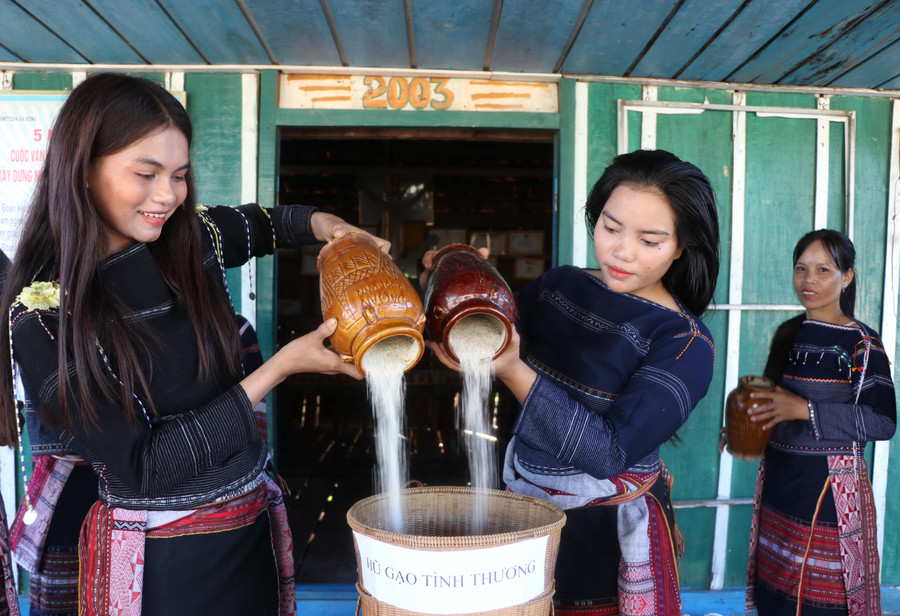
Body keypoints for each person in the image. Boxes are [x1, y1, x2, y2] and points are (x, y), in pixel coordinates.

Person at [0, 72, 378, 615]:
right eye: (145, 174)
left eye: (179, 176)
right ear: (82, 170)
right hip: (164, 563)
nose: (167, 196)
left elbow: (262, 225)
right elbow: (144, 468)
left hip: (248, 531)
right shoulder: (45, 315)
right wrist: (280, 368)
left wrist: (328, 227)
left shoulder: (187, 241)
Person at [427, 149, 720, 615]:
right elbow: (490, 337)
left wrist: (512, 369)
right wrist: (457, 281)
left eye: (650, 240)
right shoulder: (559, 287)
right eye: (610, 227)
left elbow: (607, 454)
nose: (622, 251)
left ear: (682, 246)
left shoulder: (684, 343)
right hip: (520, 507)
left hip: (602, 534)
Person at [742, 229, 895, 615]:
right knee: (777, 587)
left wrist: (805, 410)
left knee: (822, 596)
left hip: (827, 489)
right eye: (801, 269)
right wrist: (749, 428)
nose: (809, 280)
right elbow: (776, 405)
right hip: (780, 483)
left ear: (847, 277)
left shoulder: (862, 344)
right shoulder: (788, 334)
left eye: (823, 270)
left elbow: (882, 422)